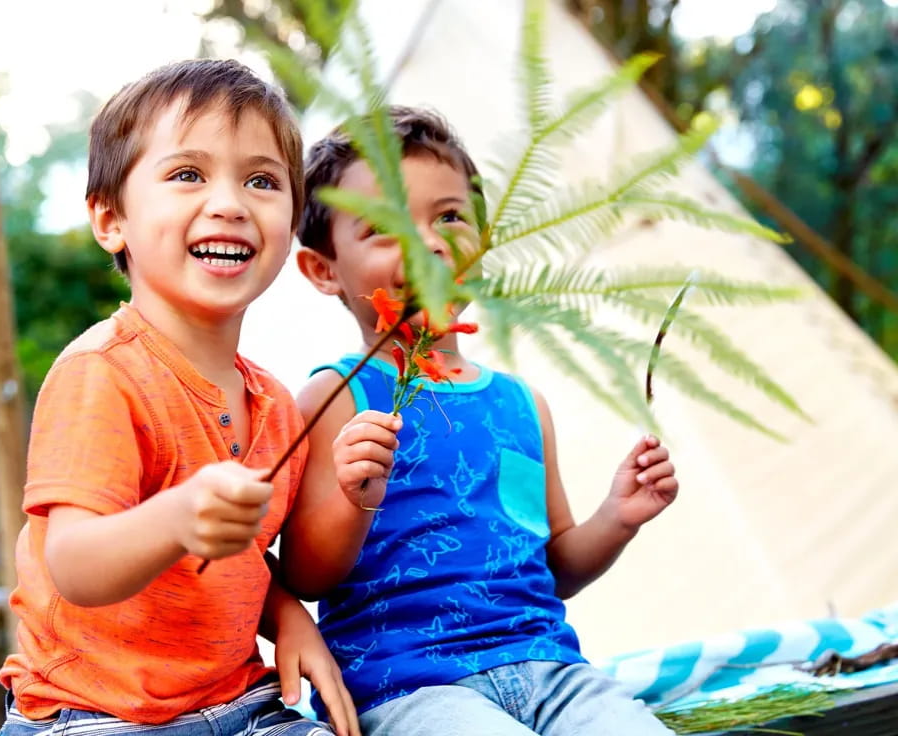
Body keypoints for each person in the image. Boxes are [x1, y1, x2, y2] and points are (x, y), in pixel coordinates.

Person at [0, 59, 397, 736]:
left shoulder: (273, 401)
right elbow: (74, 564)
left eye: (262, 181)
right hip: (93, 715)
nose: (231, 203)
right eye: (188, 174)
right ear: (109, 220)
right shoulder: (102, 373)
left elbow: (245, 560)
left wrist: (290, 613)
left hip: (239, 705)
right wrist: (176, 517)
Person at [282, 105, 681, 736]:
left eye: (448, 218)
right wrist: (353, 500)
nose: (431, 244)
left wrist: (616, 517)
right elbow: (304, 576)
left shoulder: (523, 405)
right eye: (386, 228)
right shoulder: (334, 398)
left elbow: (552, 564)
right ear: (324, 268)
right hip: (407, 688)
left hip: (552, 671)